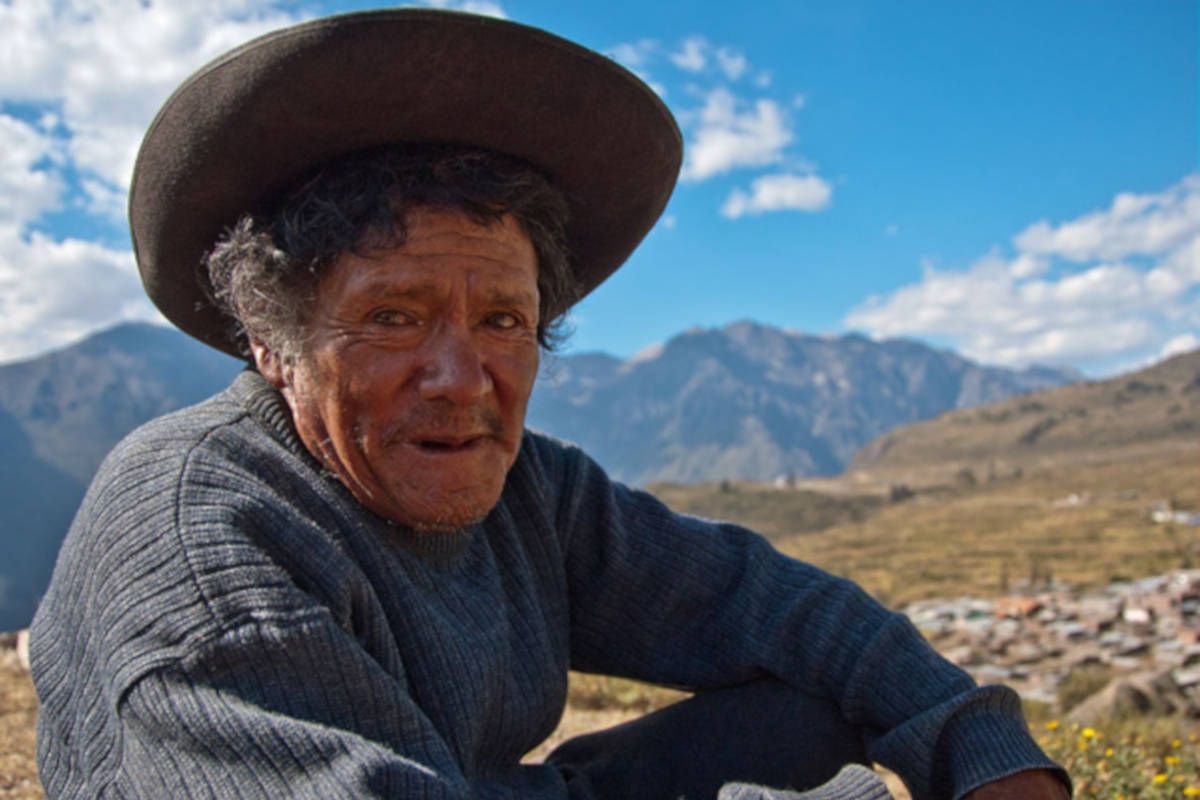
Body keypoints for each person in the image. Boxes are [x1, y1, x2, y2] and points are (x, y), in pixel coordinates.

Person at [30, 9, 1070, 800]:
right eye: (394, 316)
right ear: (274, 342)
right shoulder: (207, 549)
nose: (459, 375)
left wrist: (980, 749)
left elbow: (773, 603)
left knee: (805, 714)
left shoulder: (531, 490)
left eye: (504, 321)